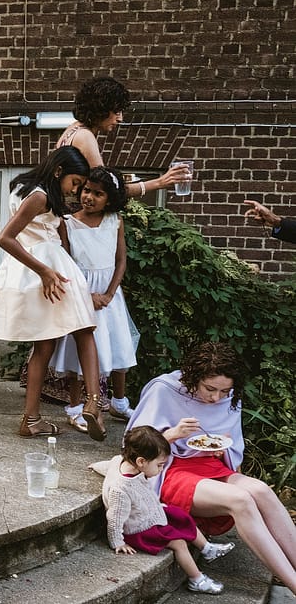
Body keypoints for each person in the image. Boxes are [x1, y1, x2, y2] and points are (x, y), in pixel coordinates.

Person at [126, 342, 296, 592]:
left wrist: (221, 448)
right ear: (194, 377)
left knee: (261, 491)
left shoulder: (229, 396)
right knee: (241, 500)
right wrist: (172, 434)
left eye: (224, 391)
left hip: (209, 465)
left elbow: (231, 443)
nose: (216, 397)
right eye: (210, 389)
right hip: (168, 468)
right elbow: (134, 446)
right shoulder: (164, 389)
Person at [0, 146, 107, 440]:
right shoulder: (40, 195)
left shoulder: (29, 188)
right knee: (85, 329)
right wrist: (44, 271)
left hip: (36, 270)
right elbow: (5, 238)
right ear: (58, 172)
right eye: (75, 183)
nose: (77, 190)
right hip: (46, 267)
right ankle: (93, 401)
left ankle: (31, 420)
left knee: (45, 347)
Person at [50, 167, 139, 432]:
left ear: (109, 199)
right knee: (80, 353)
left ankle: (119, 402)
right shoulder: (68, 222)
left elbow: (120, 259)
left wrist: (110, 293)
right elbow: (65, 262)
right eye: (87, 190)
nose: (89, 197)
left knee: (117, 345)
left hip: (110, 296)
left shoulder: (116, 221)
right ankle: (76, 406)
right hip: (81, 294)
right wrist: (85, 295)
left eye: (98, 194)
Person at [102, 426, 235, 595]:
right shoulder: (121, 490)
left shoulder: (126, 463)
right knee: (178, 543)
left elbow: (110, 465)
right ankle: (197, 579)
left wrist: (95, 466)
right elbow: (114, 518)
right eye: (159, 465)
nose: (160, 470)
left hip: (150, 512)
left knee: (180, 515)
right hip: (139, 529)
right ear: (141, 461)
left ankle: (207, 548)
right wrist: (117, 542)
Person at [57, 76, 188, 198]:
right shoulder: (85, 137)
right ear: (100, 109)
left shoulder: (73, 128)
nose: (120, 119)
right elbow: (109, 189)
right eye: (116, 112)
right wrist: (160, 182)